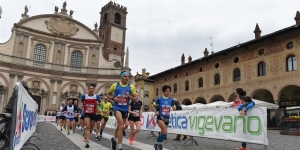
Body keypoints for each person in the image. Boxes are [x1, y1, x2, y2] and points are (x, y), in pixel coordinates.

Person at [107, 71, 137, 150]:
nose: (127, 78)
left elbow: (135, 99)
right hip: (117, 108)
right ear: (121, 77)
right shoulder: (115, 85)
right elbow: (108, 95)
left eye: (128, 76)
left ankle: (114, 139)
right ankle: (120, 147)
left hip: (125, 109)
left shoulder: (131, 86)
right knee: (121, 126)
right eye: (125, 76)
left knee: (122, 126)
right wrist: (114, 99)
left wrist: (129, 96)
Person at [152, 85, 176, 150]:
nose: (168, 92)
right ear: (164, 91)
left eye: (169, 91)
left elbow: (174, 108)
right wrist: (155, 111)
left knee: (163, 132)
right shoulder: (160, 99)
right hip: (160, 117)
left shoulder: (171, 100)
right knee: (164, 131)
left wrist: (174, 107)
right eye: (167, 91)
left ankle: (156, 143)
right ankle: (160, 144)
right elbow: (153, 105)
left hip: (167, 118)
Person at [81, 84, 101, 148]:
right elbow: (81, 101)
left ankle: (86, 134)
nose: (91, 89)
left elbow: (100, 104)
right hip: (86, 112)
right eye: (90, 88)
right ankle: (87, 142)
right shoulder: (84, 95)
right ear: (88, 89)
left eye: (92, 88)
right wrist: (81, 106)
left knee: (91, 128)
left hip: (93, 113)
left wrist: (98, 103)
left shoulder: (96, 96)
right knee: (88, 126)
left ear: (94, 89)